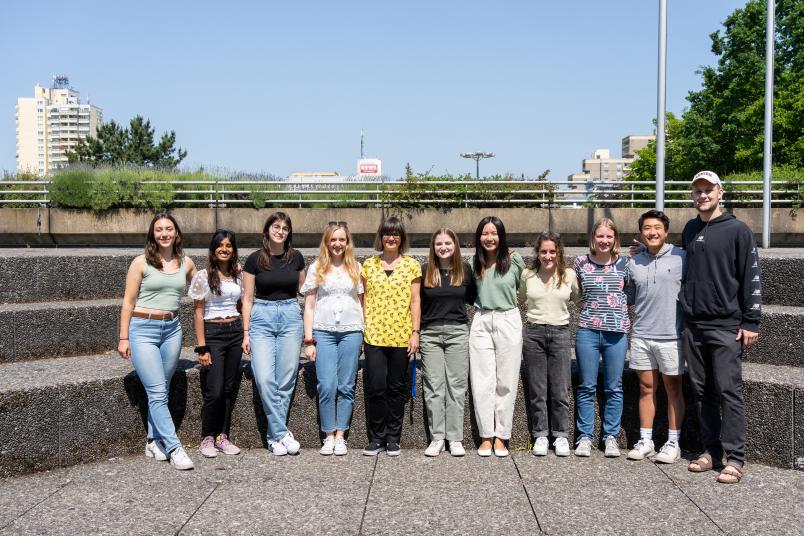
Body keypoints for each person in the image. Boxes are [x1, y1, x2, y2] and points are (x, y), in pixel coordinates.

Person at [681, 170, 761, 484]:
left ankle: (735, 458)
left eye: (708, 190)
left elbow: (751, 276)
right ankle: (711, 451)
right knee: (702, 392)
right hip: (694, 324)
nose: (702, 195)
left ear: (720, 193)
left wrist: (751, 320)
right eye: (697, 191)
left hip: (726, 325)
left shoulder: (739, 230)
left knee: (730, 392)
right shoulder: (689, 229)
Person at [118, 211, 197, 470]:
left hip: (172, 329)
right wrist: (123, 337)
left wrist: (232, 271)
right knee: (157, 390)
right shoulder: (140, 263)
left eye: (169, 229)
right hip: (143, 329)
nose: (164, 233)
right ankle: (174, 446)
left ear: (176, 233)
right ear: (153, 234)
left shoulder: (186, 263)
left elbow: (201, 284)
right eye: (159, 229)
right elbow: (128, 303)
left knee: (161, 388)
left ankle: (153, 440)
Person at [241, 212, 306, 456]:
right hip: (262, 317)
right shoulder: (255, 260)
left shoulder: (296, 258)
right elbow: (247, 299)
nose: (280, 231)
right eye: (276, 227)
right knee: (265, 378)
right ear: (267, 230)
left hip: (290, 316)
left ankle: (273, 438)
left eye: (285, 228)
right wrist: (246, 332)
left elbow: (303, 290)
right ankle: (281, 432)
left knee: (286, 379)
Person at [624, 210, 685, 464]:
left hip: (672, 336)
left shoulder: (682, 257)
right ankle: (646, 439)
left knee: (673, 389)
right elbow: (628, 296)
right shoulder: (634, 262)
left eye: (657, 227)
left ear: (666, 231)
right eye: (647, 228)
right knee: (646, 388)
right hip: (641, 335)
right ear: (641, 233)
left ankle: (673, 442)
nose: (652, 232)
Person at [300, 221, 364, 456]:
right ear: (326, 242)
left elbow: (362, 302)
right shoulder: (317, 267)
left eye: (342, 240)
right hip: (323, 331)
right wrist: (308, 340)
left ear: (348, 243)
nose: (337, 244)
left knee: (346, 385)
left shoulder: (356, 267)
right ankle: (328, 434)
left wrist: (364, 333)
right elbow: (309, 306)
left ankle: (340, 436)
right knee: (327, 385)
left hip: (351, 331)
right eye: (333, 240)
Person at [361, 216, 422, 457]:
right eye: (387, 233)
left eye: (396, 234)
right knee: (376, 387)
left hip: (401, 336)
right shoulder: (369, 265)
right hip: (374, 335)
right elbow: (363, 300)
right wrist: (363, 329)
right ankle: (377, 438)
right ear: (381, 237)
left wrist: (415, 332)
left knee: (396, 388)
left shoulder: (412, 266)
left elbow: (416, 301)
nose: (391, 237)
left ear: (402, 238)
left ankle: (393, 438)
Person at [573, 218, 630, 458]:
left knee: (614, 387)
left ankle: (610, 437)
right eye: (600, 236)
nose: (604, 241)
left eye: (609, 237)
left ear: (615, 238)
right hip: (587, 329)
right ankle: (584, 436)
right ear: (593, 238)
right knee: (586, 385)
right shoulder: (580, 263)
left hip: (616, 332)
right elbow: (574, 293)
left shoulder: (626, 263)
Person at [469, 216, 525, 457]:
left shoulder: (515, 261)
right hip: (481, 319)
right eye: (485, 233)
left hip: (508, 319)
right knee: (482, 382)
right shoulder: (474, 262)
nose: (489, 238)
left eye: (494, 233)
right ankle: (486, 436)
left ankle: (502, 436)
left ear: (501, 236)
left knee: (506, 381)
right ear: (478, 237)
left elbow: (522, 291)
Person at [520, 231, 579, 457]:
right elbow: (520, 299)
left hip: (561, 333)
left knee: (560, 388)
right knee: (537, 389)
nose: (548, 256)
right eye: (543, 251)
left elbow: (579, 299)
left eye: (552, 251)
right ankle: (541, 434)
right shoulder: (528, 275)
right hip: (534, 332)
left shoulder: (569, 275)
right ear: (538, 253)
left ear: (559, 252)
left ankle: (561, 435)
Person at [420, 228, 476, 457]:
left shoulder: (465, 270)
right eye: (439, 244)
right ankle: (437, 438)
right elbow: (418, 303)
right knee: (434, 387)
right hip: (430, 333)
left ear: (455, 246)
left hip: (457, 332)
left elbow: (472, 297)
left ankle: (454, 438)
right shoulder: (425, 271)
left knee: (456, 386)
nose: (443, 247)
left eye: (448, 243)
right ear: (433, 247)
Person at [189, 229, 244, 458]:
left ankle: (223, 436)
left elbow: (241, 305)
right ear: (213, 249)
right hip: (213, 333)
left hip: (235, 332)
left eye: (229, 245)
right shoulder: (203, 275)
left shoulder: (238, 274)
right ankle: (207, 437)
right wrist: (202, 347)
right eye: (220, 245)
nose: (224, 249)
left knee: (229, 388)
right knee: (215, 390)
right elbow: (198, 312)